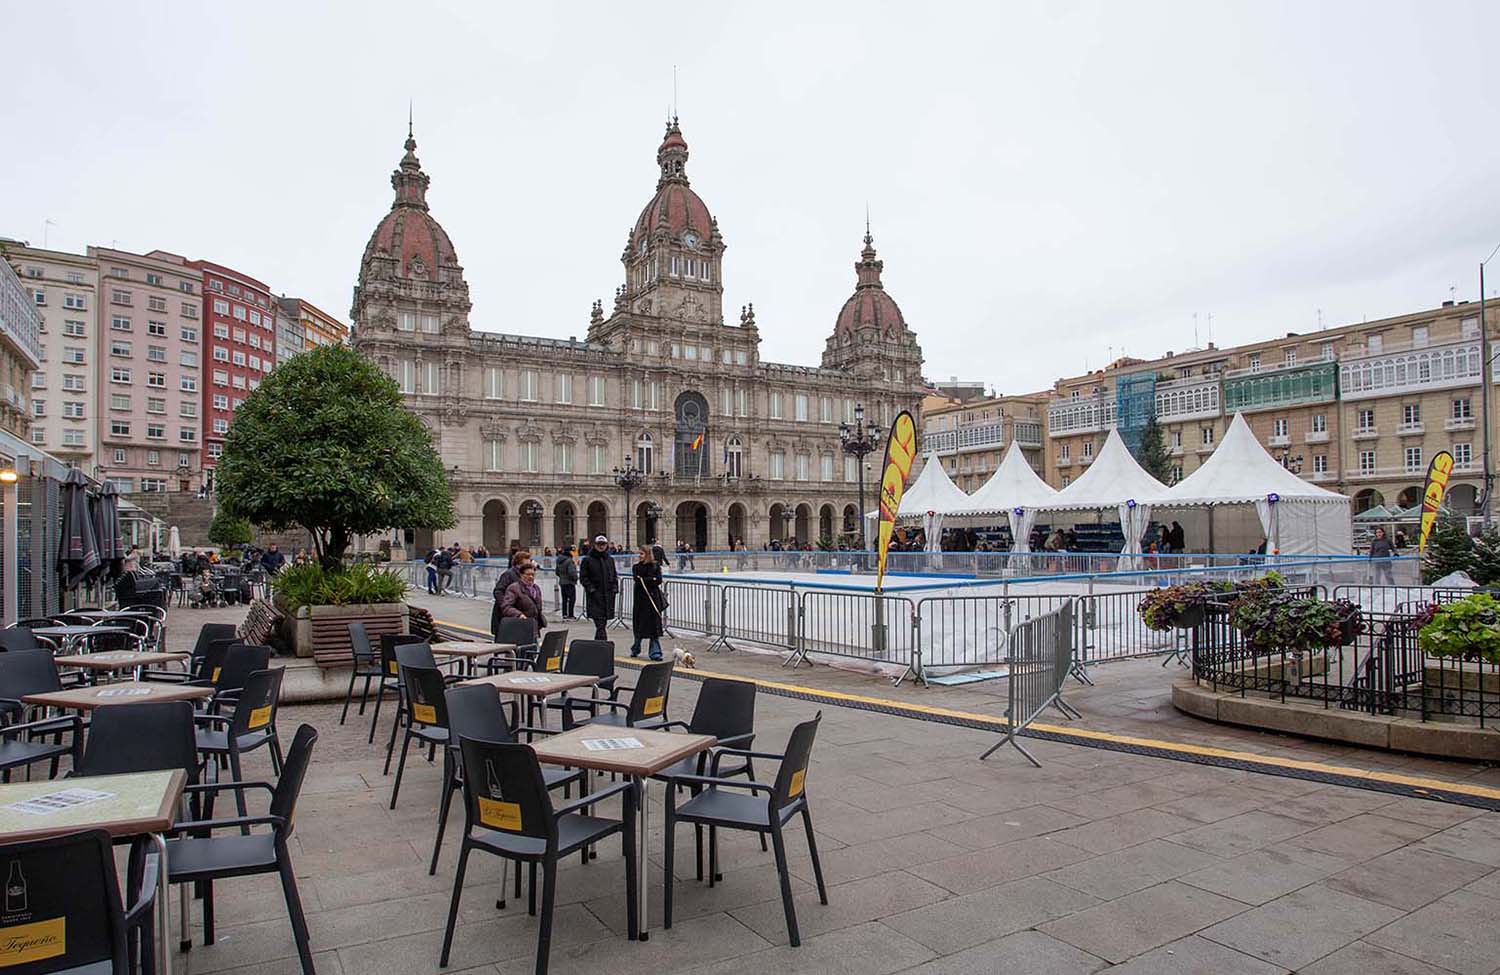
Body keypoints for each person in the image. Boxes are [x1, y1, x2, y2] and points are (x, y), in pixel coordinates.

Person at [579, 535, 620, 641]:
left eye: (603, 544)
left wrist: (615, 587)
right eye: (599, 544)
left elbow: (614, 575)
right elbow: (583, 577)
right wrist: (591, 589)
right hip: (595, 596)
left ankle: (599, 645)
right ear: (595, 545)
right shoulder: (588, 560)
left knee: (603, 622)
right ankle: (603, 643)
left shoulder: (609, 560)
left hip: (608, 595)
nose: (601, 546)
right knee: (600, 622)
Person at [629, 545, 666, 660]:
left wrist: (647, 579)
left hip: (652, 600)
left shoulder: (655, 566)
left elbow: (658, 580)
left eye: (642, 554)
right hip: (640, 600)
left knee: (653, 627)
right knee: (639, 626)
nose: (639, 556)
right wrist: (651, 579)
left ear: (647, 554)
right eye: (639, 554)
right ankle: (636, 648)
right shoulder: (636, 567)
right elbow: (638, 580)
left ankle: (655, 652)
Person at [490, 549, 532, 640]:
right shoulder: (509, 574)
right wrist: (506, 606)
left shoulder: (524, 575)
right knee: (505, 641)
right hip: (507, 616)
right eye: (527, 560)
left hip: (519, 614)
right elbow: (498, 591)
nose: (530, 563)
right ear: (520, 562)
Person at [500, 562, 548, 640]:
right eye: (528, 574)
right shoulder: (514, 588)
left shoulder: (536, 588)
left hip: (534, 628)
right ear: (521, 575)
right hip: (520, 628)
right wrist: (519, 615)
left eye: (533, 574)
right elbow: (506, 606)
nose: (531, 577)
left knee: (533, 649)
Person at [555, 546, 579, 619]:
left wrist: (562, 577)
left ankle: (564, 614)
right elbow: (571, 572)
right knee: (572, 599)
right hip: (569, 582)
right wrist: (575, 578)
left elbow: (557, 572)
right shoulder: (569, 561)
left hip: (562, 582)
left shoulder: (559, 560)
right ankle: (571, 614)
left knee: (564, 599)